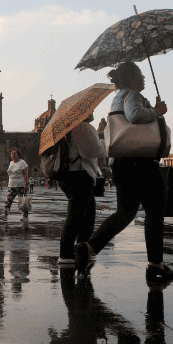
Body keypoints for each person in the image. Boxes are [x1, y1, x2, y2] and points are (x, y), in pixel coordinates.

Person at [77, 63, 173, 280]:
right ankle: (155, 264)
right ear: (132, 78)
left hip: (122, 164)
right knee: (155, 211)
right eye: (140, 75)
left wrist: (151, 109)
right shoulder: (132, 95)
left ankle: (90, 248)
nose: (144, 78)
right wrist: (156, 111)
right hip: (141, 162)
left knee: (125, 212)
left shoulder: (118, 96)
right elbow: (135, 116)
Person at [57, 112, 106, 265]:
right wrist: (103, 141)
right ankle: (66, 254)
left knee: (88, 214)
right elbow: (96, 151)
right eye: (90, 111)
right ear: (83, 113)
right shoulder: (84, 127)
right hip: (79, 175)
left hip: (69, 175)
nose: (92, 113)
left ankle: (81, 249)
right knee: (76, 215)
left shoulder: (69, 128)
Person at [0, 147, 29, 221]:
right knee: (8, 200)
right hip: (11, 185)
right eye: (12, 153)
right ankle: (5, 215)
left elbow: (26, 174)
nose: (13, 155)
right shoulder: (11, 163)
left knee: (22, 201)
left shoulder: (22, 162)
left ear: (18, 154)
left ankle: (25, 216)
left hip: (21, 185)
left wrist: (26, 183)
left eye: (15, 153)